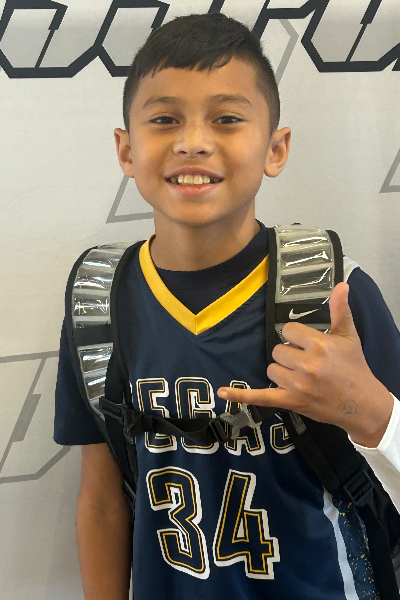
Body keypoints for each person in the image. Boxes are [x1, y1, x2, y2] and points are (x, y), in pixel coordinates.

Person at [54, 12, 400, 600]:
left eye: (227, 118)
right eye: (165, 118)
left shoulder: (332, 291)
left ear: (275, 148)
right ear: (126, 149)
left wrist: (368, 410)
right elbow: (103, 500)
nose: (193, 141)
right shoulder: (99, 299)